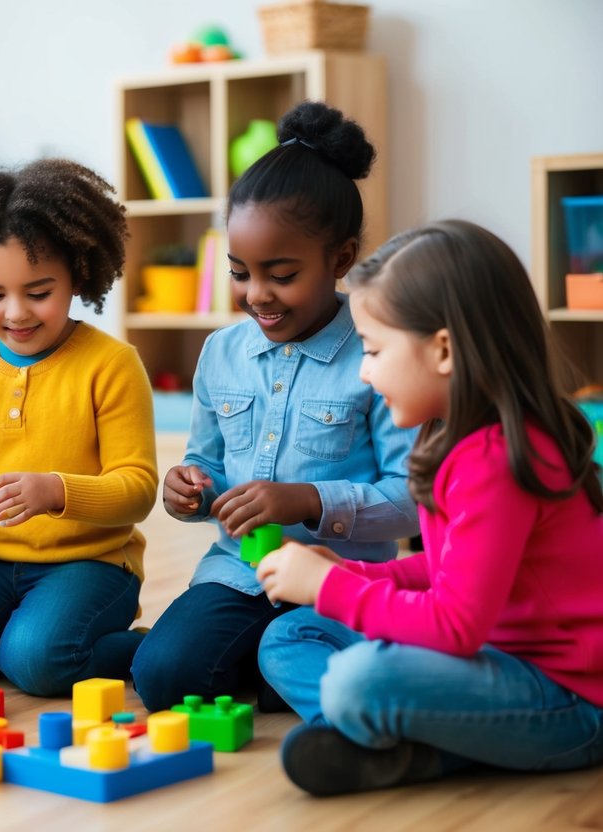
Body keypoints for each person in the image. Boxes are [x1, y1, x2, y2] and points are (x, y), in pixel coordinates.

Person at [256, 219, 603, 796]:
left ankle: (397, 738)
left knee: (358, 681)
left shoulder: (499, 459)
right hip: (489, 659)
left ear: (443, 349)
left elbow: (455, 625)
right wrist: (348, 573)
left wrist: (330, 586)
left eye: (372, 350)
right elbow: (447, 572)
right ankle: (411, 739)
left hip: (565, 701)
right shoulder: (454, 436)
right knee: (290, 636)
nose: (365, 372)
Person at [131, 101, 420, 713]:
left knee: (270, 666)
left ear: (339, 260)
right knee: (161, 678)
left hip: (337, 578)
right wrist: (186, 489)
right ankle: (249, 661)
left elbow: (411, 506)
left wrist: (307, 501)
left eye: (281, 275)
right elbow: (203, 463)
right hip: (238, 572)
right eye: (239, 272)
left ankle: (268, 662)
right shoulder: (221, 353)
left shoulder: (378, 357)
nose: (256, 294)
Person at [0, 158, 158, 697]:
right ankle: (16, 640)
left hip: (93, 563)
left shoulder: (112, 363)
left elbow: (136, 490)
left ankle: (147, 647)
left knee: (37, 662)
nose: (15, 312)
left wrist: (55, 490)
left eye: (38, 292)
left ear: (78, 276)